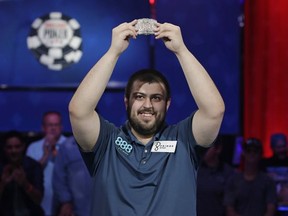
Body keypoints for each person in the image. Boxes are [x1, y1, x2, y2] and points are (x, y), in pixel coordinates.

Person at [68, 19, 225, 216]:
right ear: (127, 102)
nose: (148, 105)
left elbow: (214, 111)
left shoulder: (183, 140)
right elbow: (78, 111)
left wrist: (182, 51)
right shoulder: (107, 142)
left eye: (156, 98)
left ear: (167, 104)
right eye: (139, 97)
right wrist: (112, 53)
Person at [26, 111, 67, 216]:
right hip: (41, 200)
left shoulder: (69, 145)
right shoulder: (33, 147)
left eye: (56, 125)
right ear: (43, 127)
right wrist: (45, 156)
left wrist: (56, 153)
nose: (53, 128)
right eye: (50, 125)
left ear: (61, 126)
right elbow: (28, 175)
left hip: (65, 201)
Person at [223, 138, 277, 216]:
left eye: (255, 151)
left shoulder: (268, 181)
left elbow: (271, 210)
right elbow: (229, 209)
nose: (252, 154)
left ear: (260, 155)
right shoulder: (233, 180)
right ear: (243, 153)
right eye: (248, 151)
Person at [0, 130, 44, 216]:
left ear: (23, 147)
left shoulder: (34, 166)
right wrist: (3, 183)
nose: (13, 151)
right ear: (4, 148)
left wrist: (25, 184)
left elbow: (38, 199)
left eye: (17, 147)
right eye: (9, 147)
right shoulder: (1, 168)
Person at [52, 136, 92, 216]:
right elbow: (59, 177)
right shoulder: (66, 147)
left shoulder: (107, 144)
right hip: (76, 209)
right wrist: (66, 201)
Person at [197, 138, 235, 216]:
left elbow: (230, 206)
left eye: (207, 147)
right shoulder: (194, 169)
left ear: (218, 149)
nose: (203, 150)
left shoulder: (228, 173)